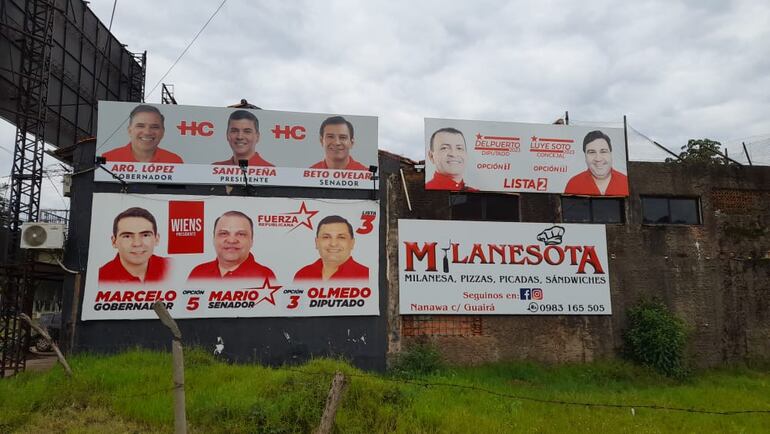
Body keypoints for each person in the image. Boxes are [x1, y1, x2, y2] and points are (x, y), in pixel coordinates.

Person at [188, 211, 276, 280]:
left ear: (251, 240)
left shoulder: (264, 276)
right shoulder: (198, 273)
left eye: (241, 234)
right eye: (223, 233)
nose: (231, 240)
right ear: (214, 239)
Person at [99, 207, 170, 283]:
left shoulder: (173, 268)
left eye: (145, 235)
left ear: (157, 239)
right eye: (127, 236)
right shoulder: (99, 278)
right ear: (114, 242)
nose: (137, 243)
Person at [293, 215, 369, 281]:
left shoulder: (366, 275)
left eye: (341, 237)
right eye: (326, 237)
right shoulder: (302, 275)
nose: (333, 244)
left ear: (352, 243)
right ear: (317, 242)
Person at [101, 105, 183, 163]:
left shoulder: (175, 160)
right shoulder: (108, 158)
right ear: (129, 130)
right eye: (140, 126)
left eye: (154, 127)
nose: (147, 132)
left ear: (163, 132)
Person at [564, 130, 629, 196]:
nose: (598, 159)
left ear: (611, 154)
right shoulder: (574, 184)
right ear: (585, 156)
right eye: (592, 152)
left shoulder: (626, 182)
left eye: (603, 151)